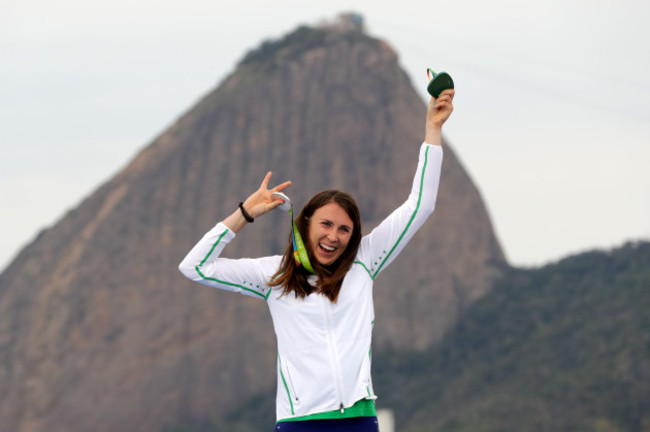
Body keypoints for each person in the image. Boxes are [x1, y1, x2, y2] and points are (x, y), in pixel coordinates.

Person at [178, 89, 455, 431]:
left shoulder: (366, 259)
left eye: (344, 229)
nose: (333, 236)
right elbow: (195, 266)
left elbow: (420, 205)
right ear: (306, 222)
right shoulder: (272, 275)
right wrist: (245, 213)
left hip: (360, 420)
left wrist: (433, 129)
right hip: (300, 424)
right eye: (326, 224)